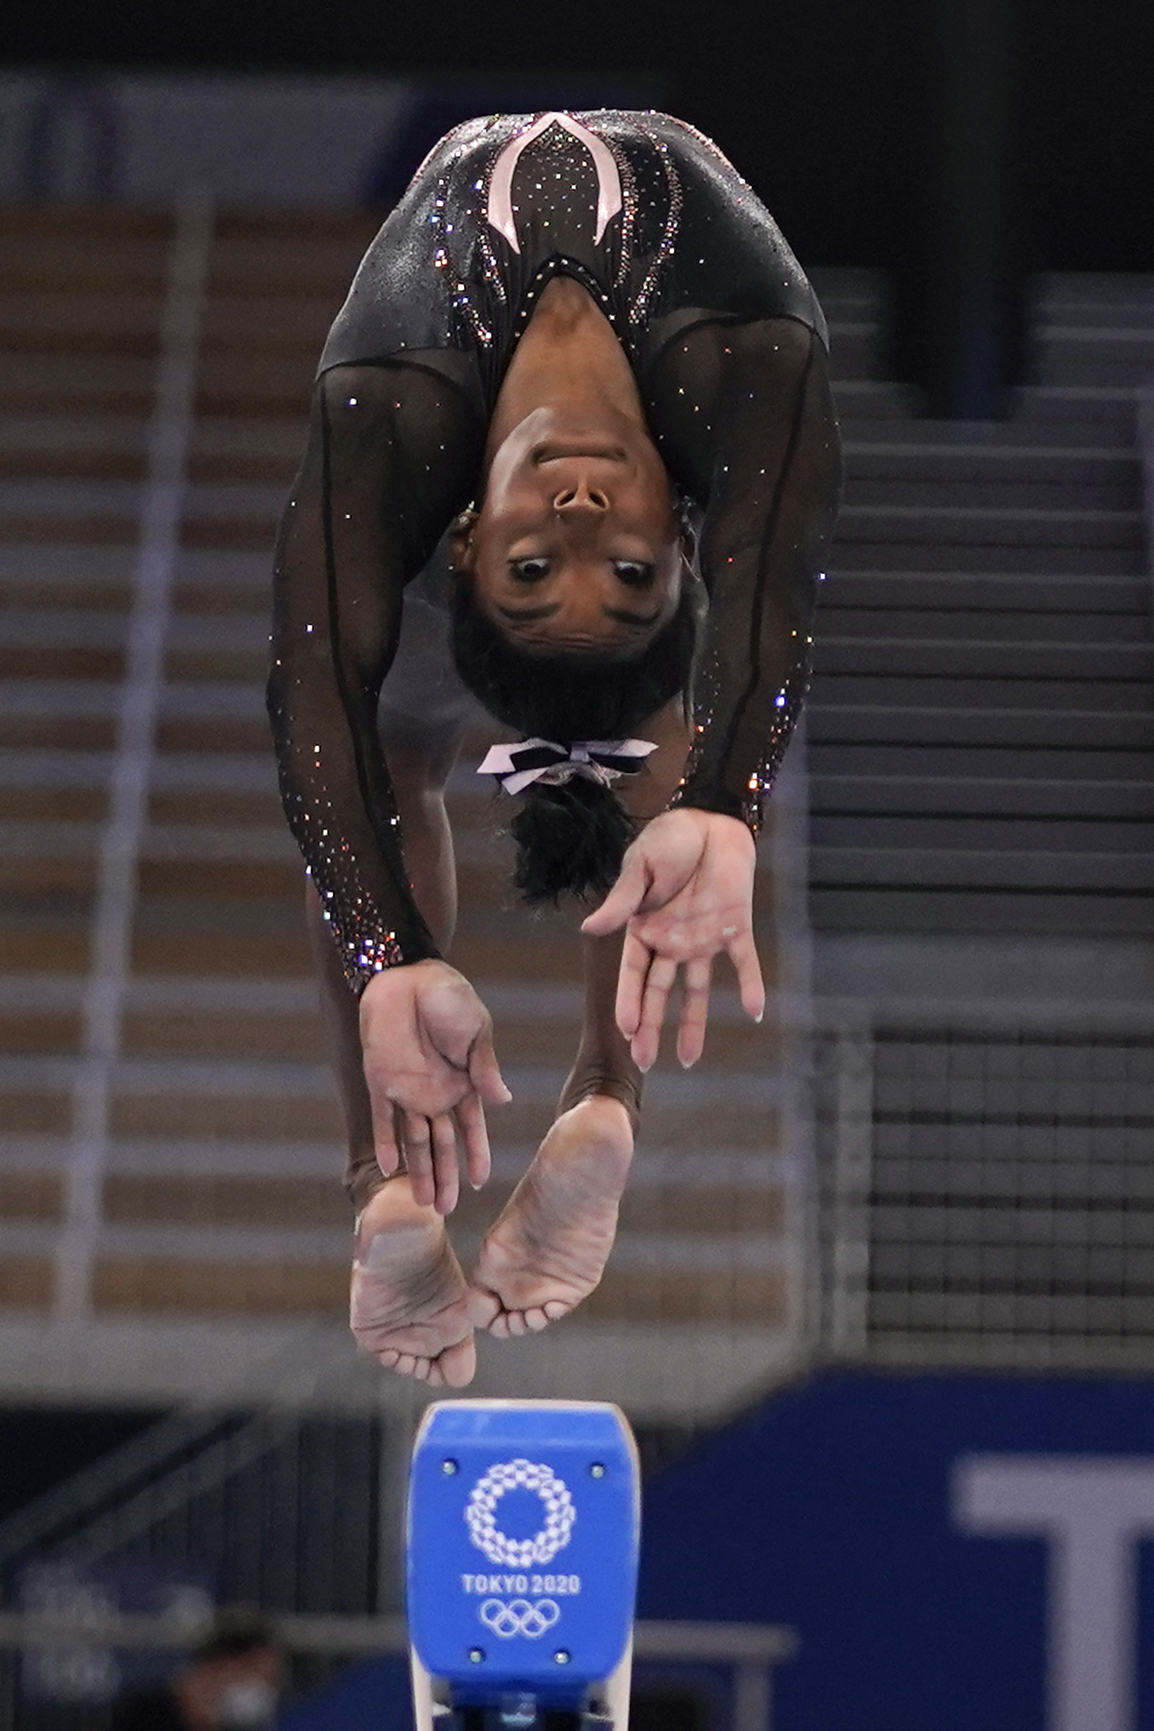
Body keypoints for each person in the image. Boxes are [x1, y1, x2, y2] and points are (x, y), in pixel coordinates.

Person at [268, 109, 841, 1388]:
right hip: (665, 410)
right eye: (624, 564)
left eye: (540, 566)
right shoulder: (747, 360)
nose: (581, 511)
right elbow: (766, 601)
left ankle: (386, 1186)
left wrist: (387, 960)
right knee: (646, 726)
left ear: (468, 545)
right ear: (680, 542)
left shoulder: (394, 406)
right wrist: (721, 800)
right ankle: (600, 1103)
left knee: (397, 740)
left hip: (431, 464)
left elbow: (315, 686)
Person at [109, 1609, 282, 1731]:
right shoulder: (142, 1714)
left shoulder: (233, 1725)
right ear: (226, 1665)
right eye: (263, 1678)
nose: (264, 1691)